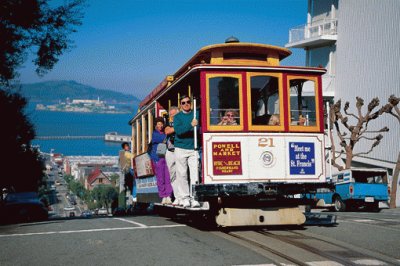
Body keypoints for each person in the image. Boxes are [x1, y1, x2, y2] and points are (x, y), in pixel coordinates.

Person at [174, 95, 201, 208]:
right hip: (180, 148)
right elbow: (179, 131)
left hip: (193, 148)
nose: (186, 104)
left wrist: (194, 126)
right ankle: (185, 198)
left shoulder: (196, 114)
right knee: (182, 174)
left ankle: (194, 197)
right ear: (181, 105)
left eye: (188, 102)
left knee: (195, 174)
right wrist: (190, 125)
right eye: (183, 103)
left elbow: (199, 127)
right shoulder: (177, 117)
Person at [149, 117, 173, 204]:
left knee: (168, 177)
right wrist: (169, 132)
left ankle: (169, 196)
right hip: (157, 158)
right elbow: (164, 139)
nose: (160, 125)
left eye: (161, 124)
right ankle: (163, 196)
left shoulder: (164, 132)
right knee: (160, 178)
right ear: (155, 125)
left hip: (166, 157)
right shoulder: (154, 134)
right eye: (158, 124)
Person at [164, 106, 182, 206]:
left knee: (182, 174)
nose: (172, 117)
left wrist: (174, 129)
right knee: (172, 175)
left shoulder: (181, 121)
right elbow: (167, 131)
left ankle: (183, 196)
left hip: (180, 149)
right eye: (171, 115)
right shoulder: (169, 123)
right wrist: (177, 128)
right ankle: (177, 197)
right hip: (170, 151)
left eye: (174, 115)